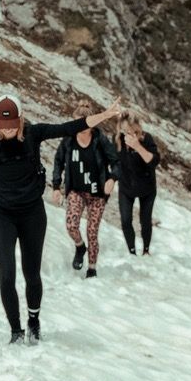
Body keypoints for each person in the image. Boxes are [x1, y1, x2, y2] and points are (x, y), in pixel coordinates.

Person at [0, 96, 124, 342]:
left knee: (31, 273)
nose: (9, 130)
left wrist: (106, 115)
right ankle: (15, 331)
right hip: (2, 214)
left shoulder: (34, 134)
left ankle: (33, 319)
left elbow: (71, 126)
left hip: (32, 214)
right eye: (4, 126)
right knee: (6, 275)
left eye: (13, 124)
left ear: (20, 119)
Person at [50, 119, 119, 277]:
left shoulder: (99, 139)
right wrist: (56, 187)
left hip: (98, 194)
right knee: (71, 225)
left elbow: (116, 162)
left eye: (85, 125)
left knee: (92, 231)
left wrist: (112, 178)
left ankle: (92, 269)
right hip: (76, 191)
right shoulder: (68, 140)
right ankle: (80, 247)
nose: (81, 129)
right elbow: (58, 161)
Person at [113, 115, 162, 255]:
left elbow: (154, 161)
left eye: (131, 131)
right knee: (126, 220)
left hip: (147, 188)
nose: (128, 134)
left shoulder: (147, 139)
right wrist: (111, 179)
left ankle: (146, 250)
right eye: (124, 131)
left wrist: (137, 146)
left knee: (145, 220)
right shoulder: (117, 140)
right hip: (126, 187)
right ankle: (132, 252)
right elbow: (115, 162)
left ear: (137, 128)